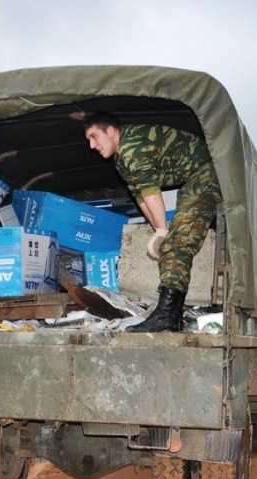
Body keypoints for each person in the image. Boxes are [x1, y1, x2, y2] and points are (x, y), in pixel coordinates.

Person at [83, 111, 222, 332]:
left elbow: (151, 192)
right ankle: (172, 317)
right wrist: (159, 231)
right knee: (171, 244)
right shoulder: (121, 160)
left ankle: (166, 316)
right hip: (196, 178)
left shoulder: (131, 147)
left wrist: (162, 231)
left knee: (176, 246)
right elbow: (140, 197)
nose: (92, 145)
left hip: (207, 173)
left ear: (110, 131)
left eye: (94, 136)